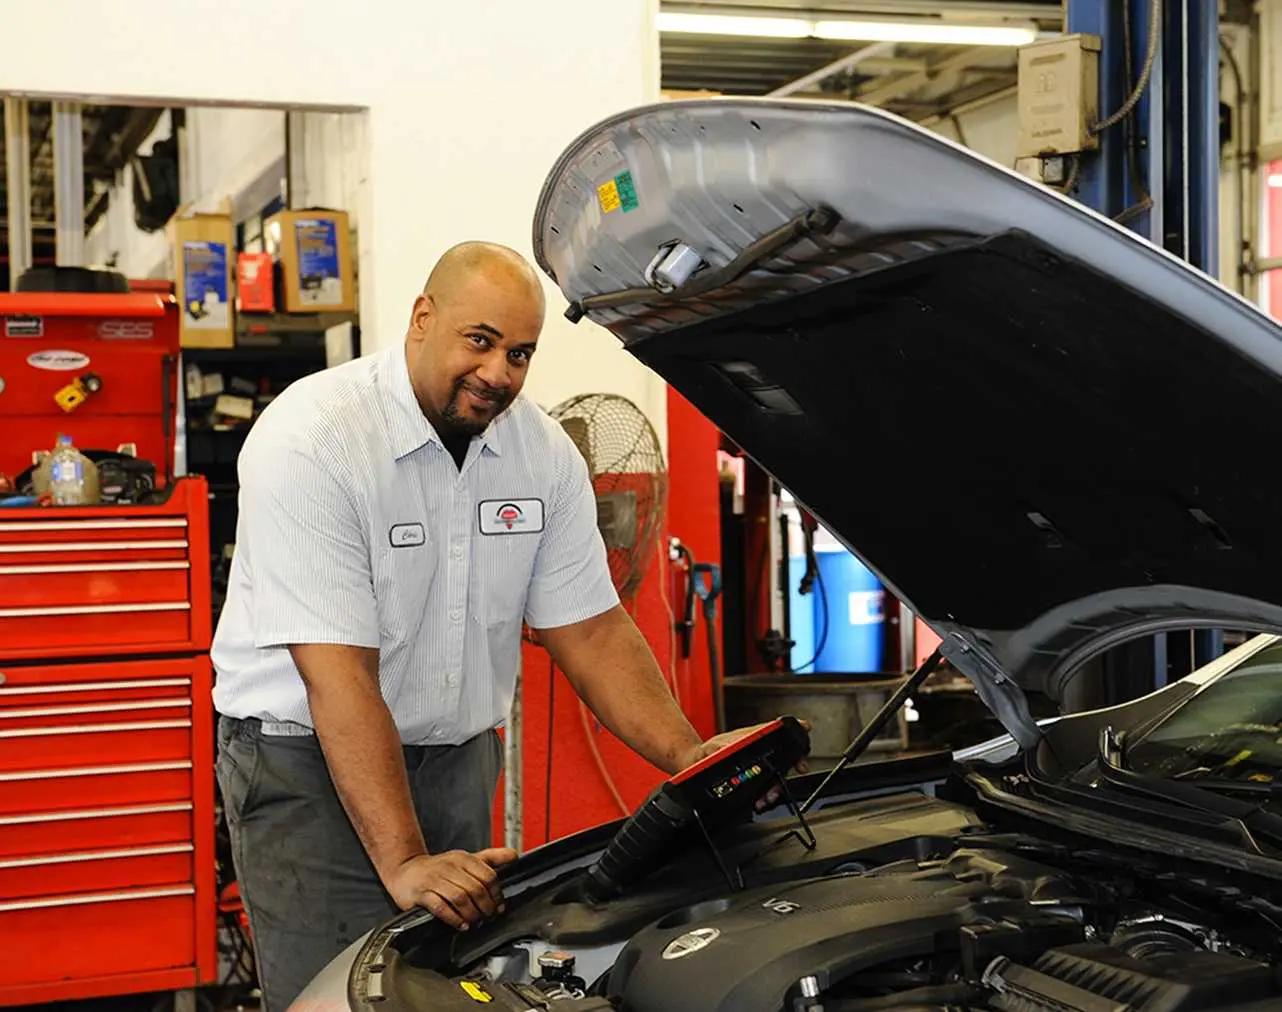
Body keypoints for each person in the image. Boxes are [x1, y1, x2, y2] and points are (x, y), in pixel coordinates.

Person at [210, 241, 791, 1012]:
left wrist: (689, 756)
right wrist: (406, 860)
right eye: (479, 341)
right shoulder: (315, 438)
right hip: (306, 764)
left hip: (457, 763)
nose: (498, 373)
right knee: (336, 995)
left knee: (446, 995)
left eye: (519, 353)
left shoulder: (540, 454)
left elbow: (592, 630)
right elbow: (338, 675)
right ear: (423, 319)